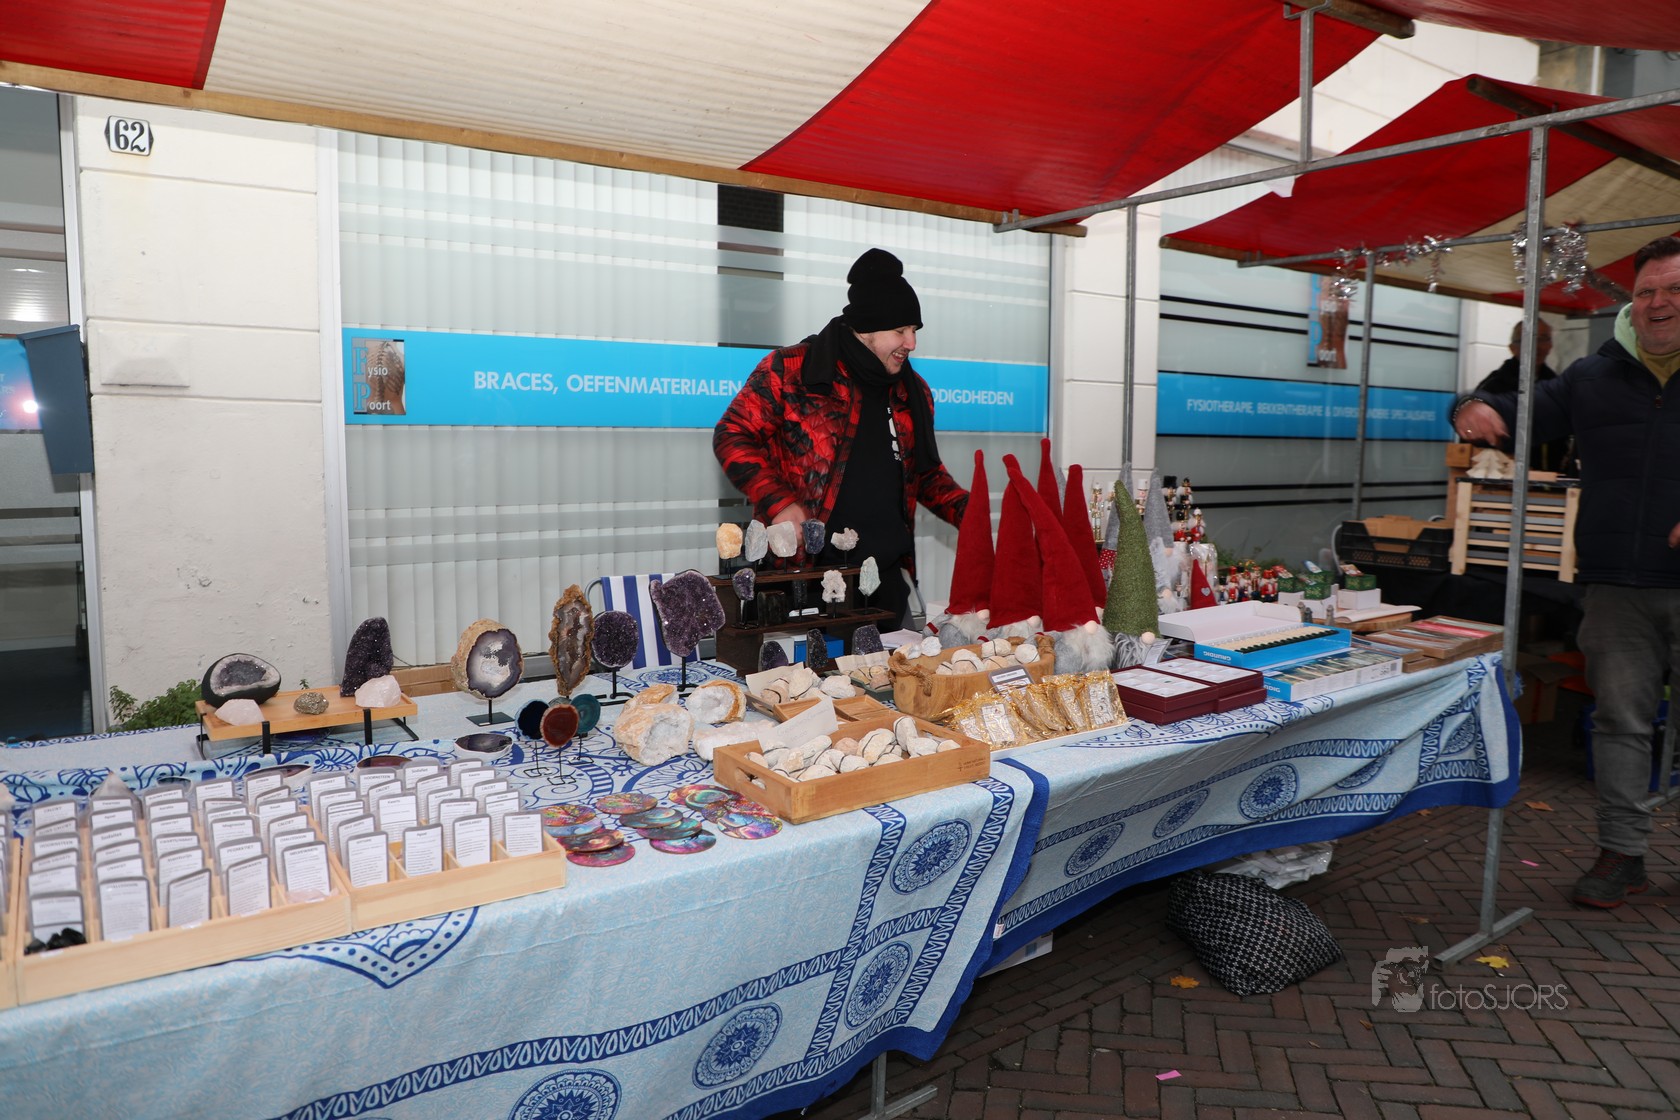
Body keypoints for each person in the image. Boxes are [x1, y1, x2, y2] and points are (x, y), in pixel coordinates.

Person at [1453, 234, 1680, 908]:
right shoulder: (1592, 376)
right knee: (1619, 724)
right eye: (1646, 291)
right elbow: (1519, 412)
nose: (1659, 303)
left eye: (1674, 289)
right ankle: (1621, 854)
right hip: (1615, 586)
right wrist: (1472, 408)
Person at [713, 248, 967, 629]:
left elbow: (925, 475)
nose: (911, 343)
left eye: (914, 330)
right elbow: (732, 433)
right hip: (803, 584)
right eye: (901, 331)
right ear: (867, 328)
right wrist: (779, 502)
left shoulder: (913, 392)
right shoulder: (792, 371)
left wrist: (971, 513)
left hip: (884, 588)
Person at [1470, 320, 1570, 472]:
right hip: (1502, 476)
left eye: (1543, 339)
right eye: (1528, 339)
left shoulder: (1556, 385)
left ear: (1551, 345)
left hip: (1550, 477)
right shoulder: (1493, 387)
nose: (1536, 346)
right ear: (1512, 348)